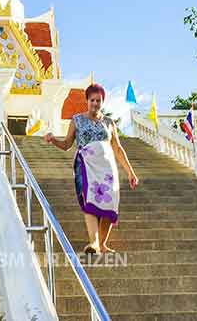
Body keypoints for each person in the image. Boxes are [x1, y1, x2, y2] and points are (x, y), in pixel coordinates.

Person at [45, 83, 138, 254]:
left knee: (110, 202)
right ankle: (94, 243)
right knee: (89, 200)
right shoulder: (77, 120)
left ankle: (102, 244)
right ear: (87, 101)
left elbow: (117, 147)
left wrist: (130, 172)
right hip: (85, 164)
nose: (95, 103)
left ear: (103, 102)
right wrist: (53, 140)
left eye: (99, 100)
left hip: (107, 168)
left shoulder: (109, 123)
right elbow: (67, 144)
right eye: (92, 100)